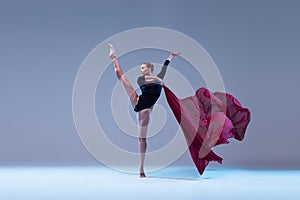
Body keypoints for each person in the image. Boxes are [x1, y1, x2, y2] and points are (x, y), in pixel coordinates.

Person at [108, 44, 180, 178]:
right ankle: (114, 58)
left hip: (145, 108)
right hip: (139, 103)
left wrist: (171, 56)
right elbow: (152, 79)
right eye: (140, 68)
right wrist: (159, 80)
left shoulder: (158, 77)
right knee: (122, 77)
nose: (140, 70)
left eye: (143, 68)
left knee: (142, 140)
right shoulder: (141, 79)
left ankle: (141, 168)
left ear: (149, 68)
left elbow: (165, 67)